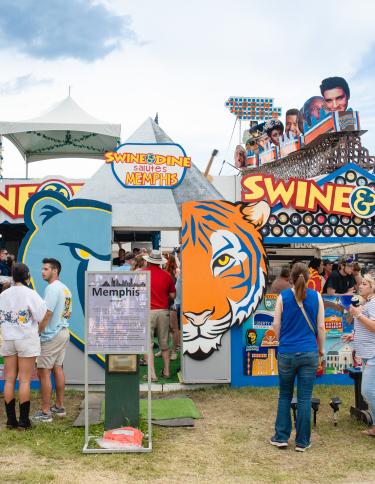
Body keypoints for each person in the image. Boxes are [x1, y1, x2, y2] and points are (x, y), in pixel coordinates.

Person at [271, 262, 325, 452]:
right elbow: (320, 328)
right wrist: (321, 350)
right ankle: (302, 441)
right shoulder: (316, 296)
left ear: (291, 278)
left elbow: (275, 326)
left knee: (284, 396)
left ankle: (281, 437)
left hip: (286, 352)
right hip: (309, 352)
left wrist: (282, 341)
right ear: (308, 278)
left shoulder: (282, 297)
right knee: (304, 398)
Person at [0, 263, 47, 429]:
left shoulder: (3, 294)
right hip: (26, 338)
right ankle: (24, 421)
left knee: (9, 379)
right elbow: (41, 315)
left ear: (13, 276)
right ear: (27, 276)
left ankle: (10, 420)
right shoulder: (30, 293)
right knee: (25, 380)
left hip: (8, 338)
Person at [32, 258, 72, 422]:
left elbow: (47, 313)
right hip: (63, 332)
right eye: (43, 269)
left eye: (46, 269)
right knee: (57, 368)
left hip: (51, 335)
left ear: (55, 271)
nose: (42, 272)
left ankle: (46, 412)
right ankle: (59, 406)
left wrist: (38, 331)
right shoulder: (65, 289)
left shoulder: (52, 288)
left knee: (43, 372)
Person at [344, 274, 375, 437]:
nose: (360, 286)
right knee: (370, 391)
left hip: (373, 354)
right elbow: (364, 328)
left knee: (368, 391)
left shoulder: (374, 303)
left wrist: (358, 314)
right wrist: (353, 335)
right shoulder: (367, 303)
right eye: (360, 283)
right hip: (367, 354)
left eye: (364, 284)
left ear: (372, 287)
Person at [143, 250, 176, 381]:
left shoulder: (141, 274)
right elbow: (173, 295)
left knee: (148, 344)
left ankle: (152, 375)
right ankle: (167, 371)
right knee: (164, 344)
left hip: (147, 312)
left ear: (148, 261)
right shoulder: (167, 275)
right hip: (163, 312)